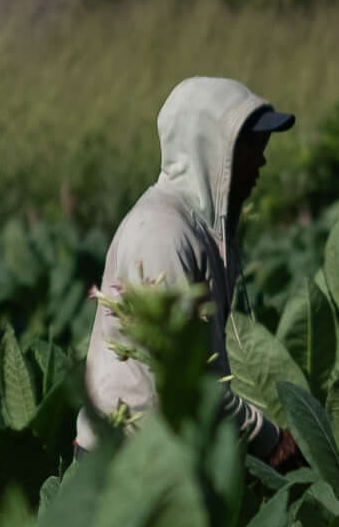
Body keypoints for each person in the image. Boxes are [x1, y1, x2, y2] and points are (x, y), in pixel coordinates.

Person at [82, 75, 302, 463]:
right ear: (214, 150)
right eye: (251, 144)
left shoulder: (195, 227)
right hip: (127, 464)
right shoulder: (162, 235)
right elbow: (186, 382)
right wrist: (269, 440)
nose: (262, 159)